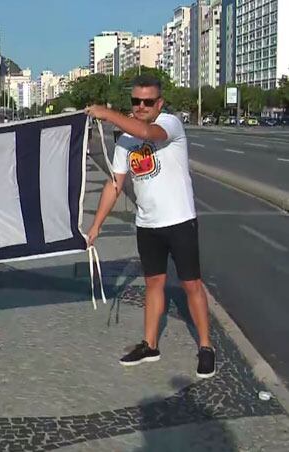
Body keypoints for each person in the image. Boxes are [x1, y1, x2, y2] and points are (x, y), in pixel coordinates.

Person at [85, 75, 215, 379]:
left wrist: (107, 114)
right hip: (147, 224)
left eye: (147, 102)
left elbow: (147, 131)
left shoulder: (170, 124)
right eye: (135, 101)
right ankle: (150, 344)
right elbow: (115, 184)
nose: (141, 107)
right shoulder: (125, 140)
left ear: (159, 103)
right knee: (153, 284)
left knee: (191, 284)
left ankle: (206, 347)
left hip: (180, 220)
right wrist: (96, 226)